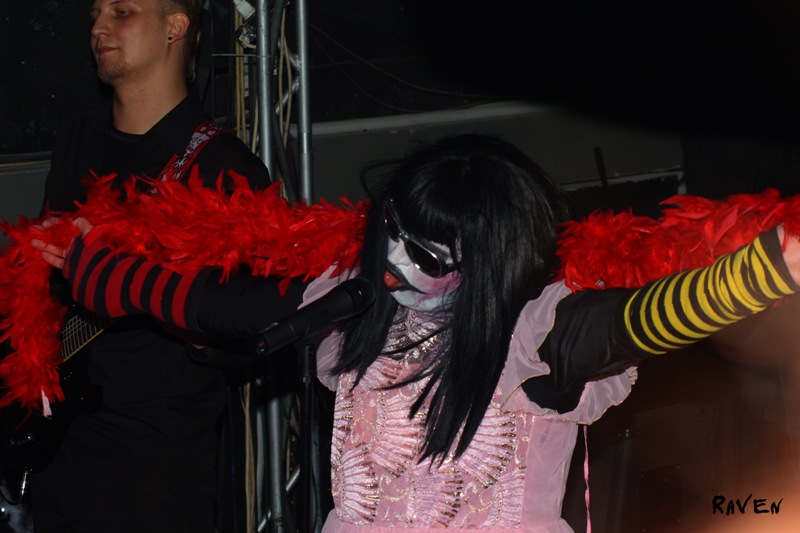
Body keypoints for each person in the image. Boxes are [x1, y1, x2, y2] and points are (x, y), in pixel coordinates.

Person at [33, 134, 800, 531]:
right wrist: (92, 271)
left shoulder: (531, 332)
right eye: (391, 233)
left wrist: (766, 270)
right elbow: (214, 307)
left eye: (426, 255)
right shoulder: (354, 307)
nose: (395, 262)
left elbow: (638, 320)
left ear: (489, 265)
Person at [29, 0, 274, 531]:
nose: (98, 26)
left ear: (175, 27)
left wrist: (139, 288)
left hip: (152, 473)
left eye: (122, 10)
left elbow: (247, 333)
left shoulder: (222, 169)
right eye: (95, 12)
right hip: (57, 456)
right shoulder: (79, 138)